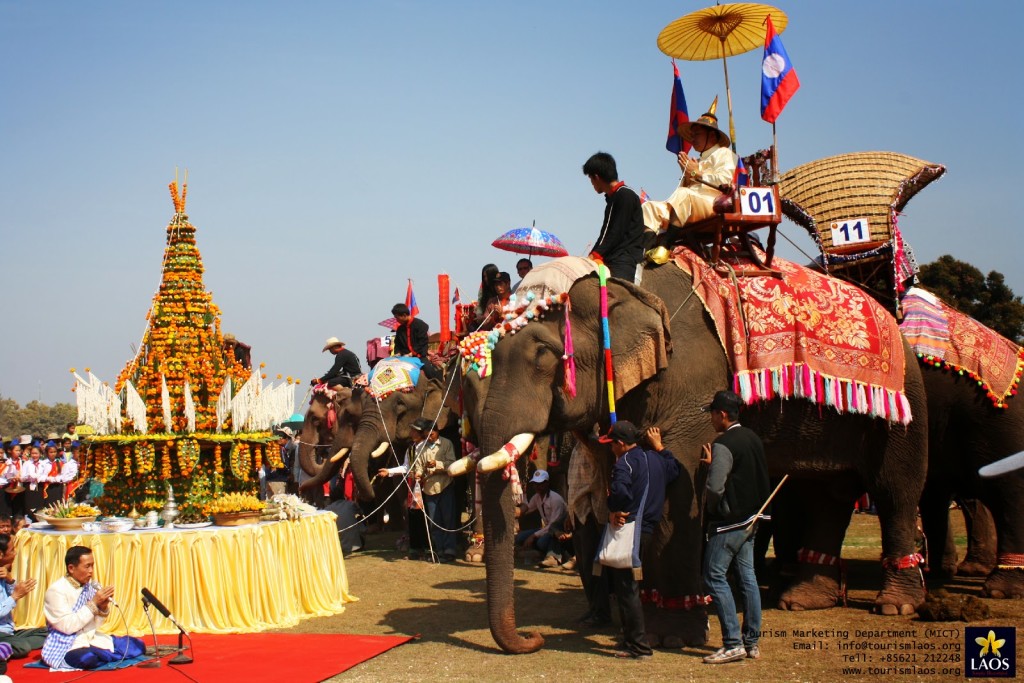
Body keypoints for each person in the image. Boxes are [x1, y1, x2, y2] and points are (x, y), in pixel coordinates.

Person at [699, 390, 771, 664]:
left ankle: (732, 643)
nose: (712, 419)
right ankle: (751, 643)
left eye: (714, 414)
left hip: (730, 523)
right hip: (753, 519)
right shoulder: (752, 438)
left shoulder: (724, 443)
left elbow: (716, 487)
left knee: (714, 577)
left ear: (723, 415)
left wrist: (715, 508)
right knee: (748, 578)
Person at [600, 420, 680, 660]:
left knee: (626, 588)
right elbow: (673, 469)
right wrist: (660, 447)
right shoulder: (655, 459)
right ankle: (629, 640)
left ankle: (639, 646)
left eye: (611, 444)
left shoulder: (623, 462)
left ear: (621, 444)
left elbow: (621, 491)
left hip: (629, 529)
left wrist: (614, 507)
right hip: (647, 531)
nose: (610, 448)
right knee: (629, 586)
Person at [641, 98, 739, 232]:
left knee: (684, 194)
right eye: (692, 135)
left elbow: (725, 182)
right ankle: (650, 250)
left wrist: (695, 173)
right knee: (648, 207)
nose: (693, 139)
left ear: (712, 136)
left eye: (697, 134)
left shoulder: (724, 154)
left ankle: (665, 246)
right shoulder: (698, 161)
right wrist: (687, 175)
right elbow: (688, 189)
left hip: (713, 203)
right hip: (690, 204)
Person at [41, 546, 145, 671]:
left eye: (92, 566)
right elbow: (67, 627)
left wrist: (103, 606)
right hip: (67, 644)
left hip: (91, 638)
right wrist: (94, 603)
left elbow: (95, 624)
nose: (91, 571)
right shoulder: (57, 591)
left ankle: (105, 653)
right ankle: (105, 654)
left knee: (138, 645)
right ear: (71, 568)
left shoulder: (89, 586)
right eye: (87, 566)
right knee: (87, 658)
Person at [563, 436, 611, 627]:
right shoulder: (576, 448)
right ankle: (593, 608)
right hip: (577, 514)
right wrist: (570, 513)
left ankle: (601, 613)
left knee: (594, 568)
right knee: (584, 567)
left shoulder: (592, 447)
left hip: (590, 515)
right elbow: (573, 486)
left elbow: (596, 485)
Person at [582, 152, 645, 282]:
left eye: (591, 179)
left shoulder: (624, 195)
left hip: (624, 259)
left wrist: (596, 254)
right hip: (614, 256)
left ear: (597, 177)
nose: (592, 184)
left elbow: (616, 232)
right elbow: (605, 234)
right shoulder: (614, 197)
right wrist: (592, 255)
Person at [410, 418, 458, 562]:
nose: (429, 438)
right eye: (426, 435)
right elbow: (418, 466)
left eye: (431, 434)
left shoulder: (446, 444)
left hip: (445, 486)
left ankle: (450, 550)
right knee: (434, 521)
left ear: (437, 432)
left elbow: (452, 463)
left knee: (448, 519)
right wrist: (418, 473)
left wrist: (437, 464)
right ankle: (439, 550)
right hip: (429, 489)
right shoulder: (421, 448)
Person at [378, 428, 429, 560]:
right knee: (413, 517)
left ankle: (427, 548)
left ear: (421, 433)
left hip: (426, 486)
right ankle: (415, 549)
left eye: (414, 431)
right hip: (413, 487)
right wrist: (389, 472)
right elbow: (406, 467)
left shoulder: (428, 447)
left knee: (425, 517)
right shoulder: (411, 449)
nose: (411, 433)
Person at [0, 533, 46, 664]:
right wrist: (16, 596)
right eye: (12, 550)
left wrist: (10, 581)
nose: (15, 554)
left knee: (48, 632)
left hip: (8, 631)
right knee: (22, 647)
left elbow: (6, 595)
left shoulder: (3, 572)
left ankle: (7, 646)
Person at [515, 470, 567, 568]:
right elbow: (528, 509)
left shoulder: (556, 500)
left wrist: (533, 536)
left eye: (540, 484)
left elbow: (553, 525)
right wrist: (517, 510)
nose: (537, 487)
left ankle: (551, 555)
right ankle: (535, 552)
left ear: (547, 483)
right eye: (535, 484)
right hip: (545, 529)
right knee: (520, 537)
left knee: (541, 542)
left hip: (557, 530)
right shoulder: (537, 497)